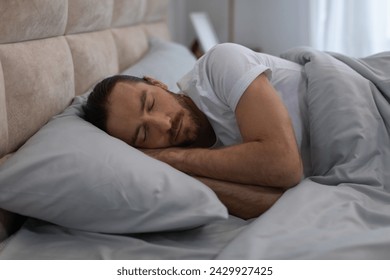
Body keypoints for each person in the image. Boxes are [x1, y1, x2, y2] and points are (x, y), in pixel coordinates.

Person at [84, 43, 305, 219]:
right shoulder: (187, 163)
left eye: (151, 104)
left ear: (157, 83)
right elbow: (274, 204)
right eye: (144, 133)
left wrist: (174, 158)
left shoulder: (220, 63)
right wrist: (180, 171)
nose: (164, 124)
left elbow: (284, 166)